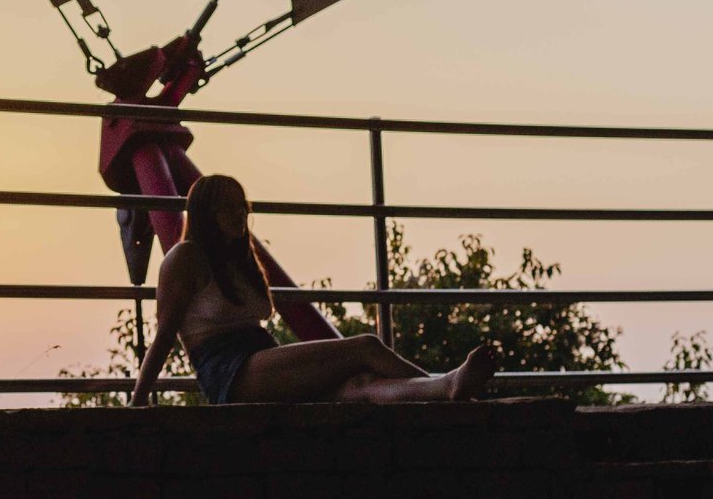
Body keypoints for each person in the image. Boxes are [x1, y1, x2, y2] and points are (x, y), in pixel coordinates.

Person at [127, 174, 498, 407]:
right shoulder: (185, 257)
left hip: (259, 357)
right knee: (365, 346)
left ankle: (442, 394)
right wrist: (138, 402)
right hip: (230, 372)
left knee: (359, 387)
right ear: (205, 212)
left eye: (242, 205)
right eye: (228, 206)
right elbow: (164, 334)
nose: (239, 213)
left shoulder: (238, 261)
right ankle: (446, 384)